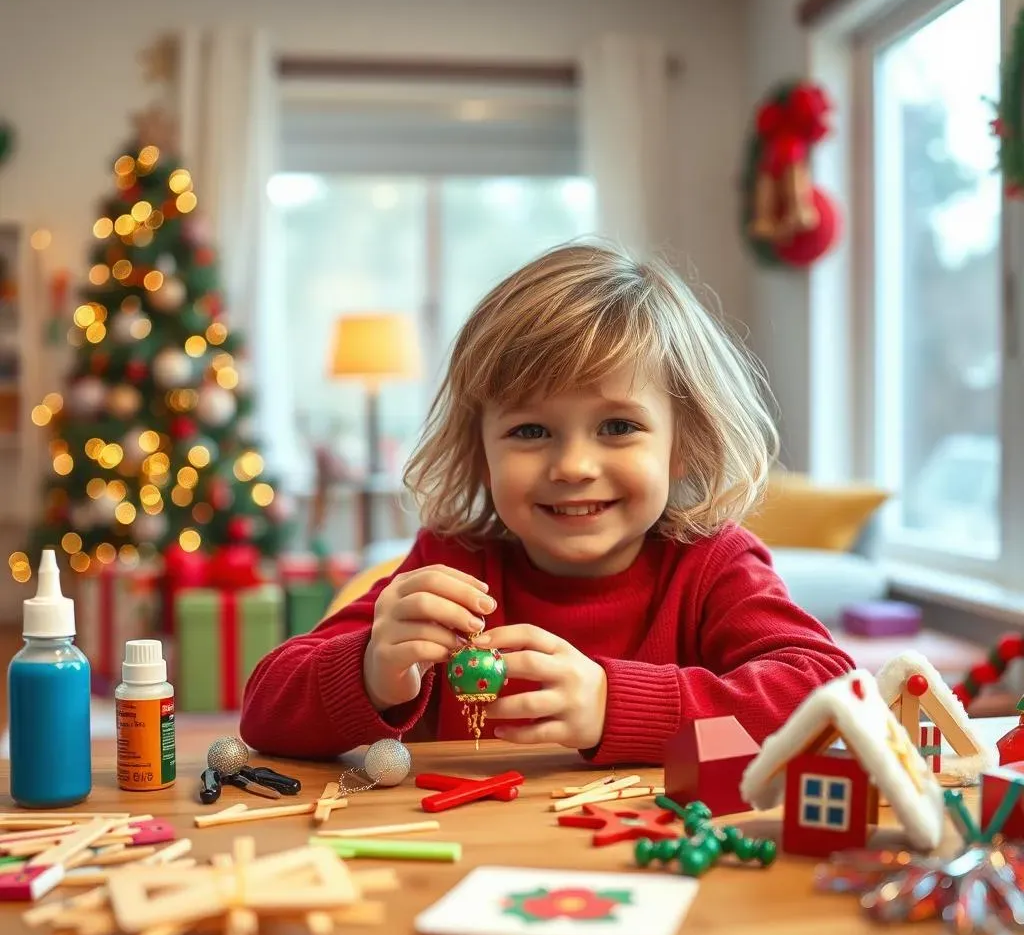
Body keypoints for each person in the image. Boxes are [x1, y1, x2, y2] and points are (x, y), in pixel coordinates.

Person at [240, 241, 854, 764]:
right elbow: (264, 710)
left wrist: (617, 706)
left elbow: (828, 696)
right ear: (480, 454)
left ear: (682, 446)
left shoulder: (713, 565)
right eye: (530, 432)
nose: (573, 467)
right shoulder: (454, 562)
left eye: (617, 426)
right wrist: (373, 669)